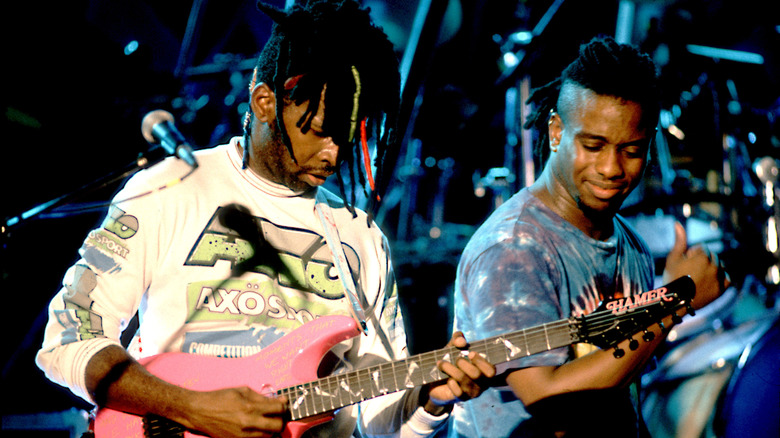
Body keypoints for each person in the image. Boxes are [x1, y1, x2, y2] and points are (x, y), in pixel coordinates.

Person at [35, 1, 494, 437]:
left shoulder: (361, 238)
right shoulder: (172, 187)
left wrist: (432, 402)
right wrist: (189, 406)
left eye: (346, 136)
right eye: (316, 130)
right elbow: (69, 340)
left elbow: (379, 420)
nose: (333, 154)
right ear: (264, 101)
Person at [450, 36, 728, 437]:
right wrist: (673, 300)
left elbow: (619, 393)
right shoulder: (513, 248)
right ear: (557, 132)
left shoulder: (629, 245)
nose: (612, 168)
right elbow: (549, 400)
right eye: (593, 145)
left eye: (631, 150)